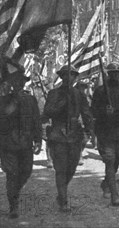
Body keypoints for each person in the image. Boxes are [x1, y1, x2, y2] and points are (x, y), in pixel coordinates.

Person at [0, 63, 41, 219]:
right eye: (15, 81)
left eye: (21, 81)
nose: (18, 84)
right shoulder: (3, 100)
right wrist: (13, 103)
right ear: (11, 83)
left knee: (26, 172)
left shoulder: (31, 99)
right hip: (8, 144)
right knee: (12, 174)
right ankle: (13, 205)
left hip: (26, 143)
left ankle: (15, 192)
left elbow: (36, 120)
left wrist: (38, 139)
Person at [44, 65, 93, 212]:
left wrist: (89, 131)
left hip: (75, 134)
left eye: (71, 75)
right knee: (61, 168)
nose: (68, 78)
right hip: (58, 134)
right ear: (61, 77)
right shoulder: (54, 93)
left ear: (75, 78)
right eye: (65, 75)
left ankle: (62, 192)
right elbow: (47, 112)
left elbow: (86, 113)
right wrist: (61, 104)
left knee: (71, 167)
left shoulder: (79, 95)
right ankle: (63, 200)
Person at [92, 62, 119, 206]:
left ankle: (106, 182)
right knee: (110, 159)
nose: (115, 75)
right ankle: (114, 193)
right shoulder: (100, 91)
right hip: (105, 130)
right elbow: (93, 111)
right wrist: (104, 112)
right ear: (108, 74)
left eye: (117, 73)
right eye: (112, 73)